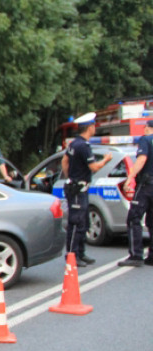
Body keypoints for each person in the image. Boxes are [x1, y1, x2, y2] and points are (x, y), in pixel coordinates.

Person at [61, 112, 113, 266]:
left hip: (77, 187)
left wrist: (69, 176)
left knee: (83, 222)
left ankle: (80, 253)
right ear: (90, 127)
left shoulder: (74, 143)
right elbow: (94, 167)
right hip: (78, 189)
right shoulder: (83, 146)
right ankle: (72, 255)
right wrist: (105, 160)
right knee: (76, 222)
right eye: (94, 125)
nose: (95, 128)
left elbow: (64, 161)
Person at [118, 119, 153, 267]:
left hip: (146, 185)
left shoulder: (145, 140)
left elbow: (141, 159)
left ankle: (136, 255)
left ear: (147, 128)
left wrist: (130, 178)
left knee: (133, 218)